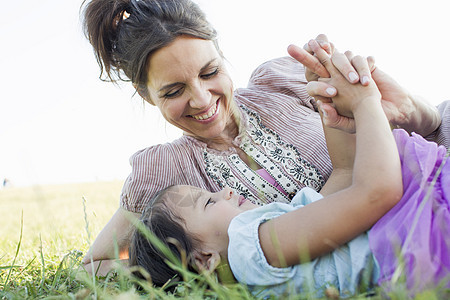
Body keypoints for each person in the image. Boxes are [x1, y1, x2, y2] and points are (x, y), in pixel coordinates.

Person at [80, 0, 448, 275]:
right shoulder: (164, 175)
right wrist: (183, 269)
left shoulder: (284, 82)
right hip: (407, 229)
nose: (202, 100)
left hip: (428, 176)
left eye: (210, 72)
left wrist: (407, 112)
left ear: (222, 55)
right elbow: (92, 265)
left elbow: (425, 132)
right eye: (174, 91)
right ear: (146, 95)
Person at [129, 45, 450, 298]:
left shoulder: (268, 234)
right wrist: (366, 103)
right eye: (210, 202)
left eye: (210, 71)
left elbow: (345, 172)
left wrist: (328, 97)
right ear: (205, 260)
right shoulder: (249, 245)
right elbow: (377, 193)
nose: (225, 191)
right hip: (423, 231)